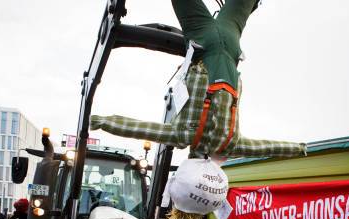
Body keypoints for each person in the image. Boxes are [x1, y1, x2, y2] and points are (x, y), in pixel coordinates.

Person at [90, 0, 306, 159]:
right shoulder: (183, 135)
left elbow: (267, 148)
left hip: (231, 42)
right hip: (202, 42)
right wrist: (100, 121)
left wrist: (299, 148)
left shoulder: (230, 145)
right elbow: (137, 128)